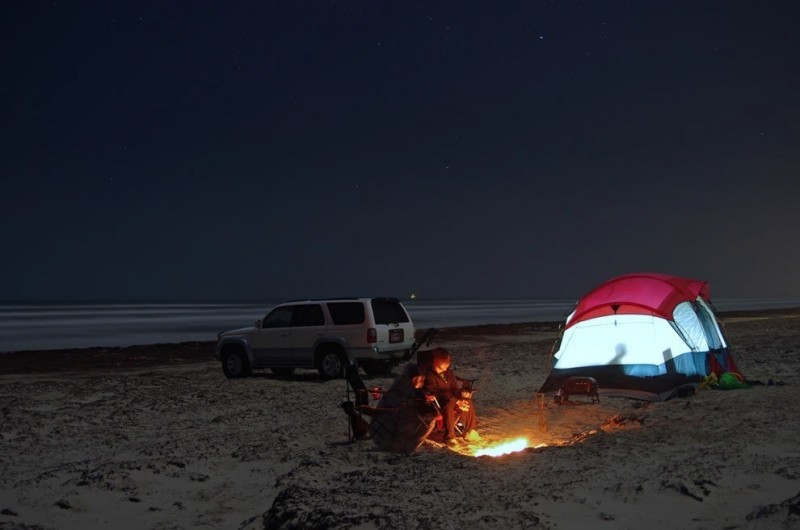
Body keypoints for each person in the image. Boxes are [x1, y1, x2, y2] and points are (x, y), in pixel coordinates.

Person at [422, 347, 477, 444]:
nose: (448, 364)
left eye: (449, 361)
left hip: (452, 399)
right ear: (436, 360)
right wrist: (456, 401)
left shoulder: (448, 373)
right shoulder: (429, 375)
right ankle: (450, 437)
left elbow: (454, 388)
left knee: (467, 400)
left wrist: (461, 398)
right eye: (445, 361)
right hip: (439, 403)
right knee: (449, 403)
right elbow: (433, 392)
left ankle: (470, 431)